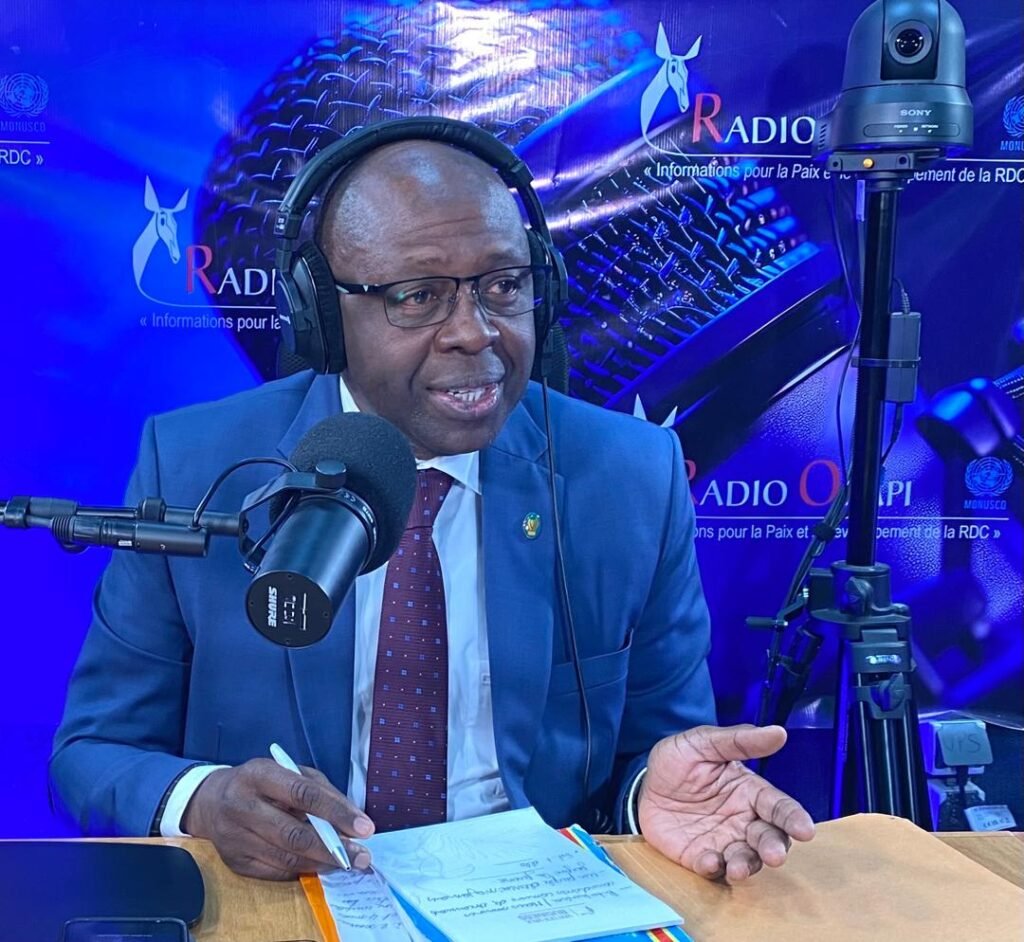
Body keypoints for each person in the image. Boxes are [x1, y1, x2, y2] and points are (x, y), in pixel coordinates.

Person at [51, 131, 814, 883]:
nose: (475, 333)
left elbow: (659, 750)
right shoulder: (196, 465)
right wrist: (204, 800)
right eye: (418, 297)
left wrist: (654, 791)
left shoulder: (631, 475)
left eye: (503, 286)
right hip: (284, 898)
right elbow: (90, 754)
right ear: (322, 315)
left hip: (532, 906)